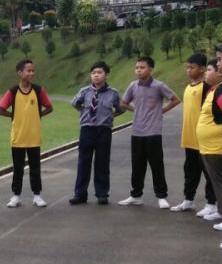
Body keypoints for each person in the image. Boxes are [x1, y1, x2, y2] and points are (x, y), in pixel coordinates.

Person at [118, 56, 180, 208]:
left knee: (156, 165)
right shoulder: (133, 86)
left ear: (150, 69)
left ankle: (161, 196)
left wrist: (161, 111)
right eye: (137, 67)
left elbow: (175, 99)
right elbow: (123, 103)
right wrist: (136, 110)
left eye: (142, 67)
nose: (139, 70)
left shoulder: (159, 86)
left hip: (153, 132)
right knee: (137, 165)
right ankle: (136, 195)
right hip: (137, 132)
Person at [0, 58, 54, 208]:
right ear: (20, 73)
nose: (31, 73)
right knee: (18, 168)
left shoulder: (38, 90)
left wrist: (38, 114)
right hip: (18, 137)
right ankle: (16, 196)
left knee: (35, 168)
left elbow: (49, 107)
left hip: (34, 136)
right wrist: (13, 115)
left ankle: (37, 195)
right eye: (28, 70)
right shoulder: (13, 91)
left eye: (33, 70)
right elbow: (0, 109)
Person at [196, 61, 222, 240]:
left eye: (210, 70)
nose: (206, 73)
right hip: (208, 145)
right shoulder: (214, 89)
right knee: (217, 182)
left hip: (217, 145)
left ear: (220, 74)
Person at [69, 61, 123, 205]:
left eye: (99, 73)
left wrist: (110, 115)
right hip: (87, 129)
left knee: (102, 163)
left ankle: (102, 194)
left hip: (103, 130)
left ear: (106, 75)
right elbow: (75, 103)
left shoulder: (113, 93)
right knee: (83, 162)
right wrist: (84, 112)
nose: (96, 75)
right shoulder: (84, 91)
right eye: (93, 73)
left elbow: (120, 108)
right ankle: (80, 194)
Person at [171, 52, 218, 217]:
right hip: (189, 138)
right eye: (187, 67)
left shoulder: (206, 88)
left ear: (202, 69)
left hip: (203, 140)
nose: (188, 70)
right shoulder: (188, 87)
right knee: (190, 170)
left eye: (192, 67)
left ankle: (212, 203)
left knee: (208, 172)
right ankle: (188, 199)